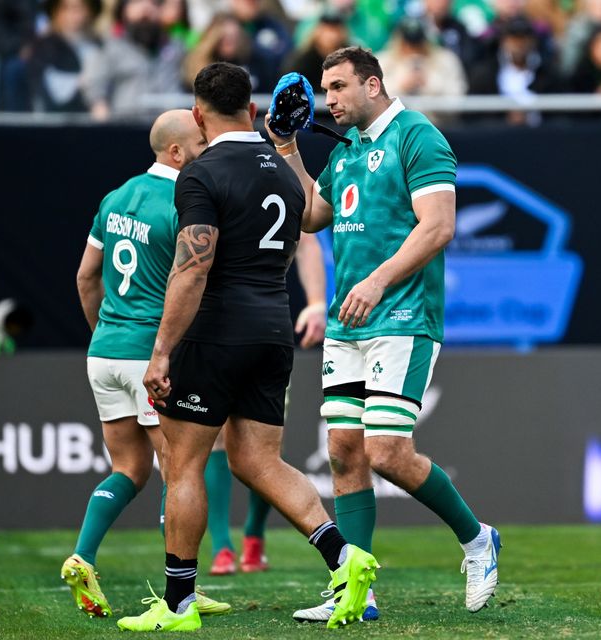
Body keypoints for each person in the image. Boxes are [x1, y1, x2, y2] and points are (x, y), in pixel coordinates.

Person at [119, 62, 377, 632]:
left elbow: (192, 269)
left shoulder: (201, 173)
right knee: (258, 460)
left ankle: (180, 603)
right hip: (272, 329)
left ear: (197, 116)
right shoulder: (284, 173)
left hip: (215, 332)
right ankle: (344, 556)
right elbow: (292, 245)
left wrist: (162, 351)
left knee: (182, 464)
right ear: (253, 111)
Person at [265, 46, 500, 622]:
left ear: (373, 84)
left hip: (403, 314)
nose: (331, 101)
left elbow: (440, 226)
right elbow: (310, 217)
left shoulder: (417, 136)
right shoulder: (346, 149)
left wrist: (377, 279)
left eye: (340, 88)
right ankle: (356, 589)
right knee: (345, 452)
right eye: (326, 90)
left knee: (388, 452)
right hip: (351, 322)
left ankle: (478, 540)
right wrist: (289, 151)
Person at [63, 109, 230, 619]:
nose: (208, 152)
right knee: (178, 471)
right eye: (201, 144)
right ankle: (180, 591)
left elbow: (85, 277)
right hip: (151, 357)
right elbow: (193, 278)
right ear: (175, 152)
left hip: (105, 352)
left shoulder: (116, 197)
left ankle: (83, 555)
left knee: (128, 469)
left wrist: (103, 336)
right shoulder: (184, 201)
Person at [201, 232, 329, 576]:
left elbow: (307, 240)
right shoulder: (269, 180)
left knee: (251, 445)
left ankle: (240, 542)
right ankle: (229, 546)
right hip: (257, 325)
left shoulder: (219, 182)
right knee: (243, 443)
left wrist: (317, 301)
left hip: (226, 325)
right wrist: (316, 302)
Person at [82, 0, 186, 120]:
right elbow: (94, 91)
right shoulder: (109, 48)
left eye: (154, 3)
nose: (146, 9)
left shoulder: (176, 48)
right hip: (125, 128)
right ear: (123, 9)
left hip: (168, 130)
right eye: (137, 2)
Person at [26, 0, 102, 113]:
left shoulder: (99, 45)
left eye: (78, 8)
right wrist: (78, 83)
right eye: (66, 8)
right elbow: (43, 90)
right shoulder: (45, 46)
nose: (72, 15)